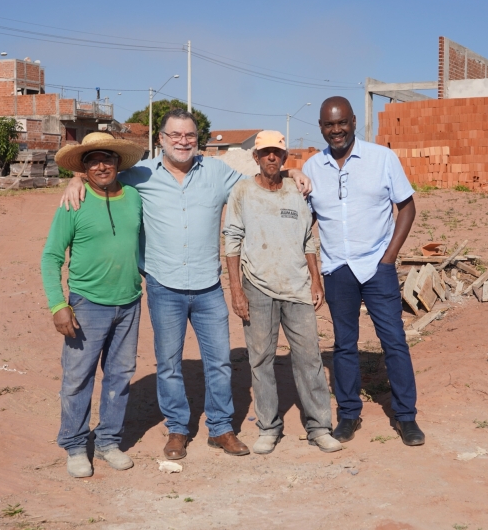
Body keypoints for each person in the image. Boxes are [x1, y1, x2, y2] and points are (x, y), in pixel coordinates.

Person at [59, 110, 312, 460]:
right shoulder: (141, 174)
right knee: (168, 364)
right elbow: (101, 175)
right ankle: (177, 429)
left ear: (198, 139)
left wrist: (291, 172)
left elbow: (258, 182)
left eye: (189, 135)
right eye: (175, 135)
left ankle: (220, 428)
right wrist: (75, 179)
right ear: (161, 139)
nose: (183, 141)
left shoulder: (217, 172)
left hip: (208, 287)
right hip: (164, 286)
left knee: (219, 362)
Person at [303, 96, 425, 446]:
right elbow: (305, 222)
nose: (336, 130)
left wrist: (389, 257)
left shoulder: (382, 158)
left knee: (394, 341)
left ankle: (406, 417)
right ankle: (348, 415)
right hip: (337, 269)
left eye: (342, 122)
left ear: (354, 121)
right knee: (344, 345)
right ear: (321, 127)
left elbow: (406, 207)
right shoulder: (312, 167)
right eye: (329, 124)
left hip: (376, 266)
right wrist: (315, 273)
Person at [223, 130, 343, 455]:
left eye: (276, 153)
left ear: (285, 157)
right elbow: (232, 241)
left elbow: (308, 239)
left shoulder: (296, 191)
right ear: (256, 157)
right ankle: (268, 427)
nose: (271, 158)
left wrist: (315, 280)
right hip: (257, 288)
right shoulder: (243, 192)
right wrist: (236, 290)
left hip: (297, 287)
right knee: (261, 359)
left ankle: (319, 427)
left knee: (309, 358)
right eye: (265, 153)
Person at [41, 133, 145, 478]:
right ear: (83, 168)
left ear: (118, 163)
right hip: (87, 304)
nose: (101, 166)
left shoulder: (133, 196)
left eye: (108, 158)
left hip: (129, 303)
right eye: (92, 160)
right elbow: (51, 256)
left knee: (120, 375)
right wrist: (58, 304)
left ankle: (108, 442)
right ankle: (74, 445)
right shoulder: (74, 201)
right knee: (77, 378)